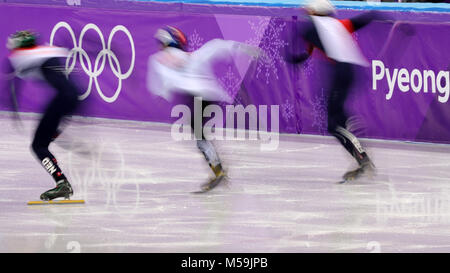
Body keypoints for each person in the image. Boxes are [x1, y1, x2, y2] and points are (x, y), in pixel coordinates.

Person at [147, 26, 259, 192]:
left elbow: (159, 82)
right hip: (212, 95)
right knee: (200, 134)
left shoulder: (159, 58)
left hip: (198, 96)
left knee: (200, 136)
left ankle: (218, 170)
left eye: (161, 43)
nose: (160, 47)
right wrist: (244, 48)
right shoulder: (194, 55)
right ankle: (217, 168)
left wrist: (161, 94)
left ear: (166, 42)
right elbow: (217, 46)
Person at [286, 0, 389, 182]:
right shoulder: (340, 24)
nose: (306, 15)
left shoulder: (313, 26)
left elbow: (303, 45)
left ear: (315, 12)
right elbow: (368, 17)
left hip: (341, 72)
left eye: (309, 12)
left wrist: (293, 57)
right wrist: (387, 18)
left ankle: (361, 156)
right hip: (352, 71)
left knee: (333, 125)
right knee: (337, 120)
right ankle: (356, 144)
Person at [4, 30, 80, 200]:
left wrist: (14, 110)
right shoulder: (48, 49)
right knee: (45, 139)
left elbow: (11, 87)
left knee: (38, 146)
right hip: (74, 99)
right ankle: (56, 132)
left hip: (62, 100)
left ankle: (62, 184)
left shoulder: (18, 57)